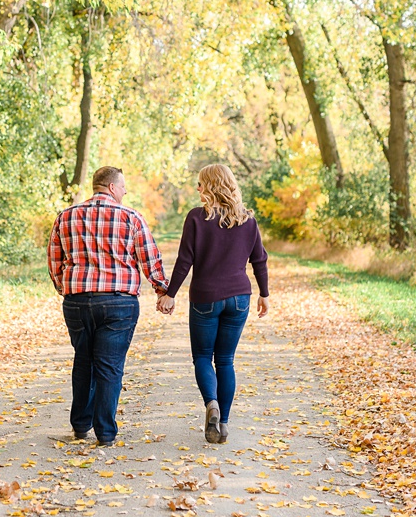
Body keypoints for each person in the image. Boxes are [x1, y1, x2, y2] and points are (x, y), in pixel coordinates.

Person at [48, 166, 169, 447]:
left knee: (84, 360)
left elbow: (55, 260)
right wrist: (162, 290)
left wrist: (66, 288)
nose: (125, 192)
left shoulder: (66, 216)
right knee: (110, 366)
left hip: (77, 301)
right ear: (112, 187)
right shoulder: (131, 217)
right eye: (123, 187)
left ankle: (80, 425)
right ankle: (105, 433)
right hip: (118, 303)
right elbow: (150, 259)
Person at [157, 164, 269, 444]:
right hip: (239, 298)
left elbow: (185, 260)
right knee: (226, 360)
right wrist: (264, 294)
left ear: (211, 186)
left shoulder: (197, 217)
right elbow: (259, 259)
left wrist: (170, 294)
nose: (197, 188)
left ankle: (212, 404)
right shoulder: (248, 220)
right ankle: (224, 424)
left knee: (203, 357)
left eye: (200, 183)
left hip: (205, 298)